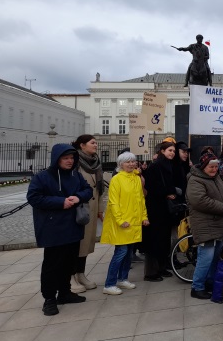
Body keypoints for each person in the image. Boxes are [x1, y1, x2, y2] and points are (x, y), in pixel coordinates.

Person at [27, 144, 93, 316]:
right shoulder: (42, 177)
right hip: (53, 228)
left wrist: (78, 196)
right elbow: (34, 197)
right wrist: (60, 202)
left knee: (69, 262)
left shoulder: (75, 175)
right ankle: (49, 298)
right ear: (56, 159)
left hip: (73, 226)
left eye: (72, 158)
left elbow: (88, 190)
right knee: (52, 265)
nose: (70, 161)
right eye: (66, 158)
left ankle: (65, 292)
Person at [186, 152, 223, 299]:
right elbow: (200, 201)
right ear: (203, 167)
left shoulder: (215, 178)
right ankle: (197, 287)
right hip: (205, 224)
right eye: (211, 167)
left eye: (216, 166)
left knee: (215, 257)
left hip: (219, 223)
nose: (214, 169)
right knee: (205, 257)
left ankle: (209, 282)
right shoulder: (195, 180)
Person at [101, 152, 149, 295]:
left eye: (133, 161)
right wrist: (120, 220)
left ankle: (123, 278)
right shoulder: (117, 179)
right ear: (120, 164)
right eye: (127, 162)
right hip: (122, 222)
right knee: (120, 253)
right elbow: (113, 202)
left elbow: (141, 200)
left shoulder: (136, 178)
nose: (131, 164)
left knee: (128, 253)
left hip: (134, 222)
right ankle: (109, 284)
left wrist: (144, 217)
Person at [70, 134, 106, 293]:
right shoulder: (75, 163)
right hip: (79, 209)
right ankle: (70, 276)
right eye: (92, 143)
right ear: (82, 145)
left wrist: (100, 209)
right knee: (76, 243)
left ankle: (80, 273)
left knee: (86, 244)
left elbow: (99, 189)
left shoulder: (96, 163)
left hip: (92, 208)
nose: (96, 145)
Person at [142, 141, 177, 281]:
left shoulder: (168, 165)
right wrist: (166, 194)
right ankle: (151, 272)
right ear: (162, 151)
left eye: (173, 151)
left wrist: (172, 192)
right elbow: (151, 186)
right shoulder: (155, 166)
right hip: (155, 208)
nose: (172, 153)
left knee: (164, 239)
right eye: (169, 150)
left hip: (164, 209)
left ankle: (161, 268)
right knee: (154, 240)